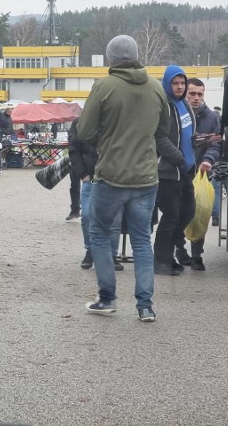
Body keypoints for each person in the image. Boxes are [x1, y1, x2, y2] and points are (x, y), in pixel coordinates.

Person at [77, 34, 169, 322]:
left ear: (110, 59)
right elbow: (162, 131)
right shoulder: (156, 87)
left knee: (101, 235)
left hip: (111, 175)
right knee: (142, 240)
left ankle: (107, 298)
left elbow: (85, 132)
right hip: (146, 177)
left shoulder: (104, 86)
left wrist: (109, 138)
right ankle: (145, 306)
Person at [153, 64, 196, 276]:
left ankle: (169, 255)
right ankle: (161, 260)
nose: (180, 87)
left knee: (188, 212)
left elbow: (187, 133)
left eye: (182, 83)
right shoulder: (164, 106)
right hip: (168, 172)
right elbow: (159, 137)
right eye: (175, 83)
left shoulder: (184, 104)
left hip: (186, 171)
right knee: (171, 215)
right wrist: (178, 157)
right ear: (167, 84)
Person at [175, 78, 220, 271]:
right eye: (192, 93)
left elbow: (216, 144)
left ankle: (196, 255)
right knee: (176, 214)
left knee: (200, 212)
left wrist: (208, 160)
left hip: (201, 173)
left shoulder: (212, 118)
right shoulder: (176, 113)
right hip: (178, 172)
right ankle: (179, 248)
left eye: (200, 94)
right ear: (185, 93)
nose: (196, 98)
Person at [68, 117, 123, 271]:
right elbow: (74, 150)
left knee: (114, 219)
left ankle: (112, 255)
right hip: (91, 178)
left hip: (114, 179)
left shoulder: (118, 119)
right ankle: (91, 250)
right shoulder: (81, 122)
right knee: (87, 216)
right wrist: (83, 174)